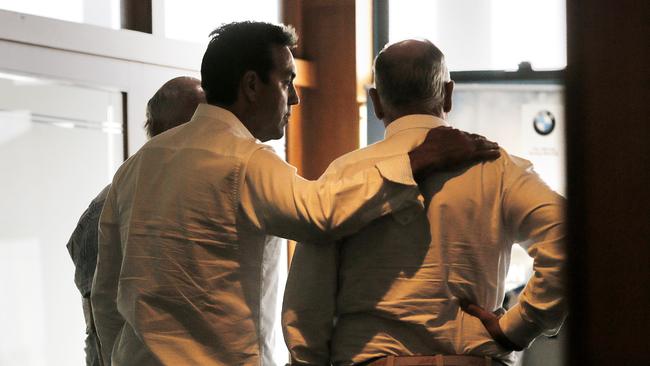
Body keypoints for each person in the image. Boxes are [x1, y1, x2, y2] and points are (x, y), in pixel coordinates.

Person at [91, 23, 499, 366]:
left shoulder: (136, 166)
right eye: (287, 81)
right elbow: (322, 215)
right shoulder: (245, 161)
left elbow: (106, 291)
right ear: (252, 85)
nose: (295, 98)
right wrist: (416, 161)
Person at [282, 39, 566, 366]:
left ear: (376, 101)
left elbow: (308, 298)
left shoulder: (344, 175)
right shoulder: (497, 167)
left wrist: (307, 361)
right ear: (447, 94)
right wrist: (518, 327)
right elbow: (569, 235)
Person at [66, 76, 205, 366]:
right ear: (171, 129)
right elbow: (101, 334)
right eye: (200, 121)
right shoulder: (106, 208)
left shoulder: (188, 195)